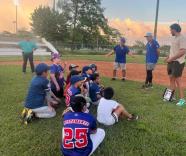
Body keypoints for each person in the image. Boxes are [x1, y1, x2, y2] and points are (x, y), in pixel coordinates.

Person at [164, 23, 186, 106]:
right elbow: (173, 51)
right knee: (171, 79)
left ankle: (182, 100)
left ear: (174, 29)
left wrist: (171, 58)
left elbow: (182, 51)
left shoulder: (182, 38)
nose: (170, 31)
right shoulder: (174, 38)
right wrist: (168, 57)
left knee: (178, 80)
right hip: (171, 62)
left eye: (170, 30)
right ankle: (170, 96)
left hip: (178, 62)